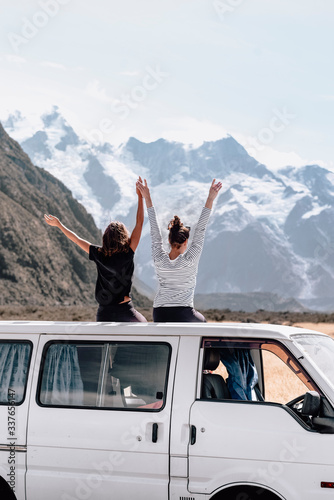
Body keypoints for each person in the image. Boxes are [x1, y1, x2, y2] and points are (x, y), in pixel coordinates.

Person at [44, 178, 147, 322]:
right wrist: (140, 197)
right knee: (144, 330)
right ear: (123, 236)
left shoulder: (99, 253)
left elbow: (77, 239)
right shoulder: (128, 251)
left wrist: (59, 225)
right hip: (125, 311)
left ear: (106, 237)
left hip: (103, 313)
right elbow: (140, 223)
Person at [136, 178, 222, 322]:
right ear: (186, 242)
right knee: (205, 327)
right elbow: (201, 229)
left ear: (169, 240)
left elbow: (154, 230)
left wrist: (147, 198)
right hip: (184, 312)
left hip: (160, 312)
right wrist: (210, 198)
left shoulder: (159, 258)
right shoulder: (191, 259)